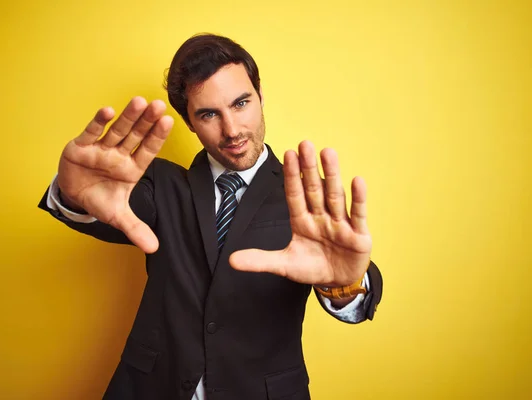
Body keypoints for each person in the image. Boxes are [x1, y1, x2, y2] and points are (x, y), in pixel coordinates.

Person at [38, 33, 382, 400]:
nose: (232, 130)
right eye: (208, 114)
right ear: (188, 122)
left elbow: (351, 277)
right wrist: (73, 195)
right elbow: (107, 206)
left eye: (241, 103)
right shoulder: (160, 183)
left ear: (260, 96)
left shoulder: (306, 196)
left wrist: (345, 286)